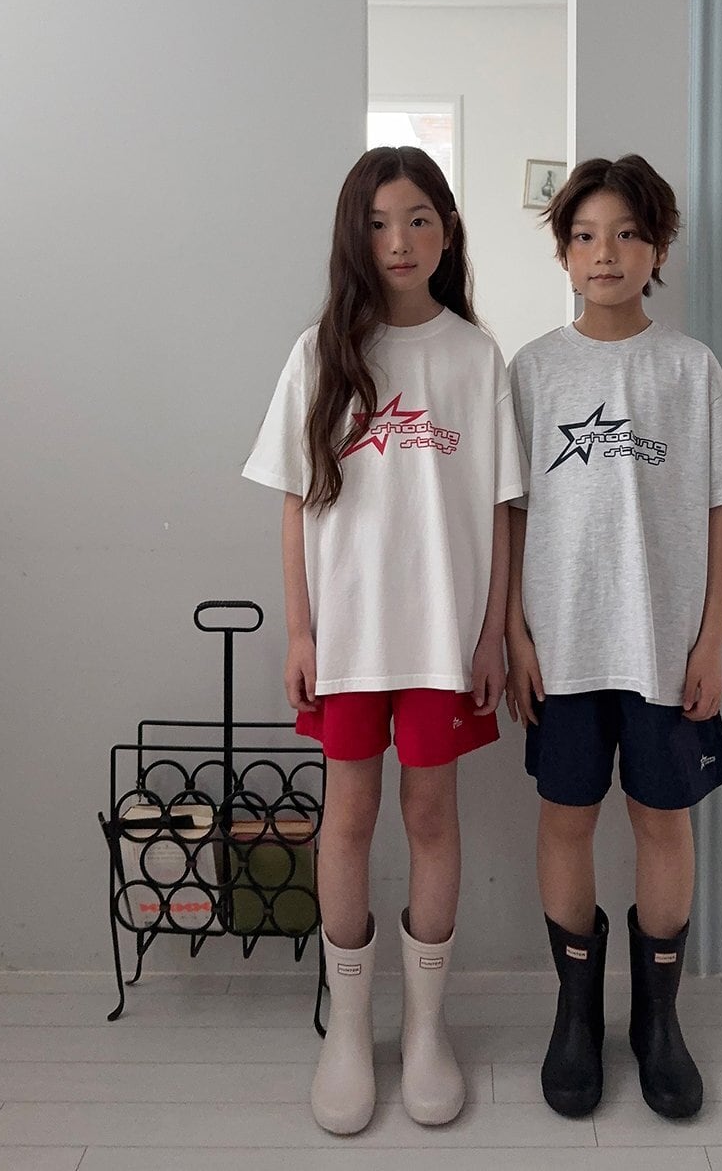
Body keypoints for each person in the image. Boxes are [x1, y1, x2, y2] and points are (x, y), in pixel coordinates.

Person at [243, 145, 521, 1136]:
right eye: (376, 223)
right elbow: (293, 503)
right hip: (349, 640)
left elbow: (503, 508)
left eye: (416, 219)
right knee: (348, 818)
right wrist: (300, 629)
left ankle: (428, 1028)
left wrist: (492, 633)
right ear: (351, 237)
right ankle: (351, 1031)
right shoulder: (319, 353)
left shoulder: (476, 357)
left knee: (432, 815)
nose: (397, 240)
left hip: (443, 640)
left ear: (446, 231)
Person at [505, 154, 722, 1121]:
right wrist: (514, 631)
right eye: (584, 236)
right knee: (565, 816)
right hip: (563, 645)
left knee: (664, 819)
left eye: (625, 234)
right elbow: (510, 514)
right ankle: (575, 1015)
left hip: (664, 649)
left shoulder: (689, 368)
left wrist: (712, 640)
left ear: (657, 248)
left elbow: (719, 509)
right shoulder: (533, 369)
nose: (604, 253)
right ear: (563, 252)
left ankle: (659, 1022)